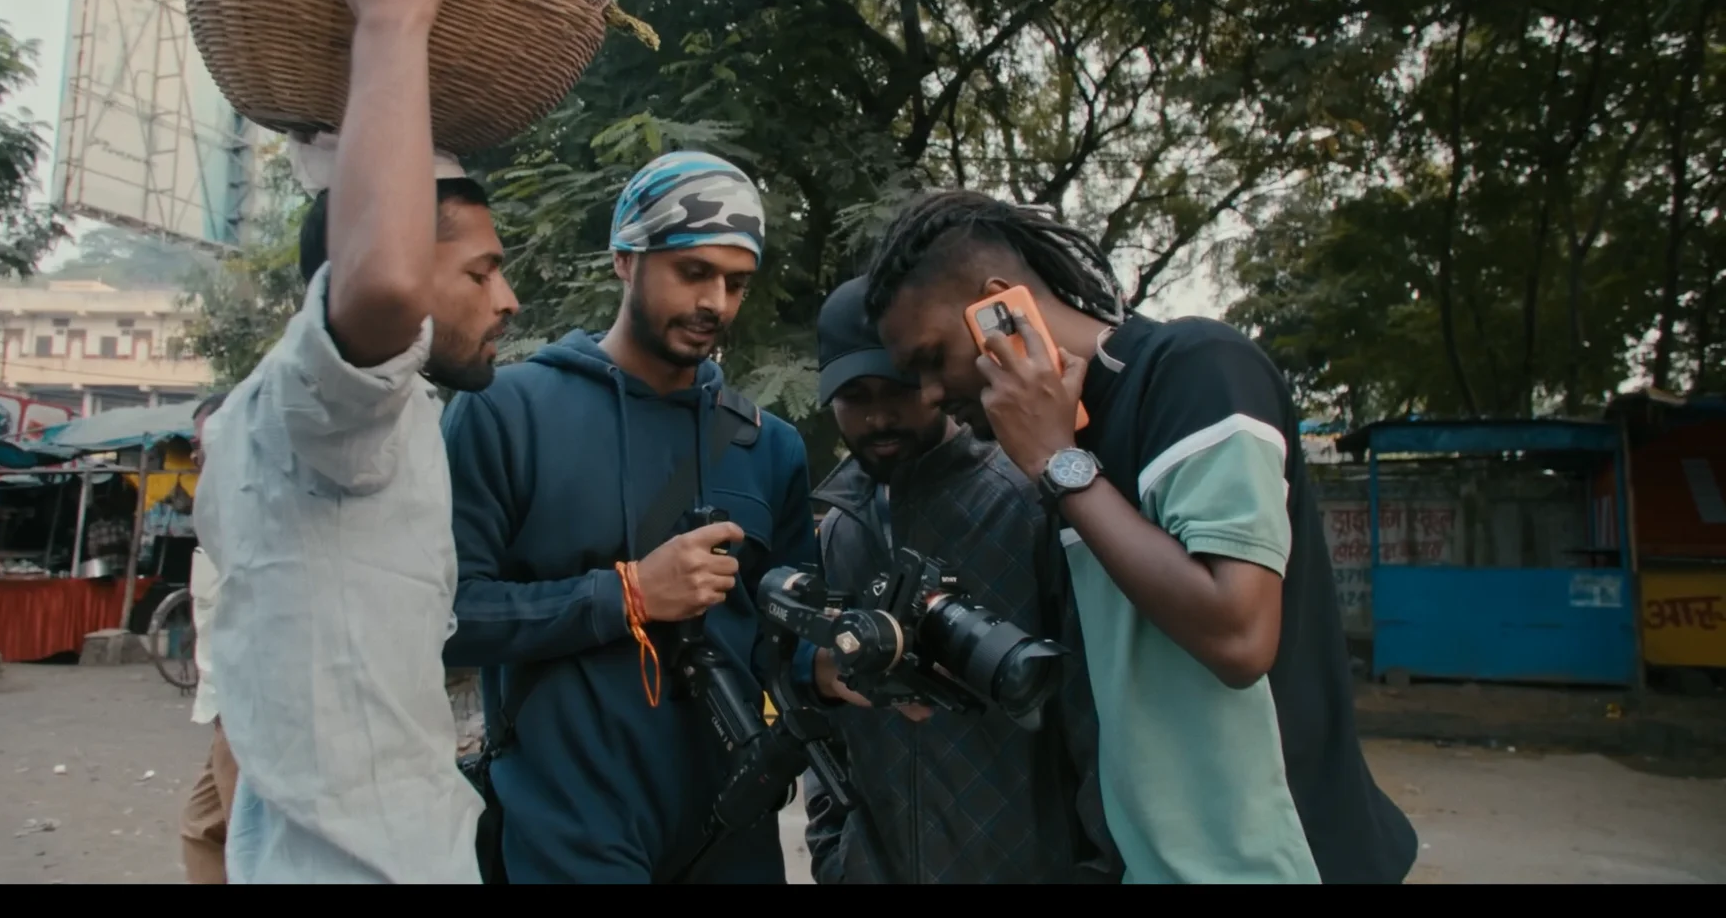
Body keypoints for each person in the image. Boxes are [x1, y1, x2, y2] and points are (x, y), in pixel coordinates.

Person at [862, 189, 1418, 885]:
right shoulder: (1063, 447)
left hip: (1276, 866)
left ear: (999, 309)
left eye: (931, 358)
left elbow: (1239, 637)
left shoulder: (1196, 372)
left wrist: (1058, 464)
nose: (928, 394)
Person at [194, 0, 519, 884]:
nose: (508, 300)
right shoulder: (328, 409)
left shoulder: (393, 414)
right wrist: (391, 14)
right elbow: (380, 285)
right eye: (479, 272)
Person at [441, 149, 817, 884]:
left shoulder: (768, 447)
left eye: (736, 282)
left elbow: (787, 643)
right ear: (624, 258)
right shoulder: (506, 412)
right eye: (693, 271)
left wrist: (839, 665)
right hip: (569, 836)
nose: (716, 302)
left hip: (733, 836)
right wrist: (629, 594)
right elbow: (447, 618)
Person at [799, 276, 1120, 884]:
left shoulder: (1030, 503)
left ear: (931, 381)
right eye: (853, 396)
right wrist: (835, 852)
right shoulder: (838, 532)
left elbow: (1095, 712)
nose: (877, 416)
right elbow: (829, 713)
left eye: (897, 388)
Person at [176, 392, 235, 883]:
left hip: (247, 711)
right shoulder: (216, 512)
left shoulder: (255, 510)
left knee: (251, 841)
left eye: (204, 446)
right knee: (201, 827)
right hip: (225, 708)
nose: (198, 458)